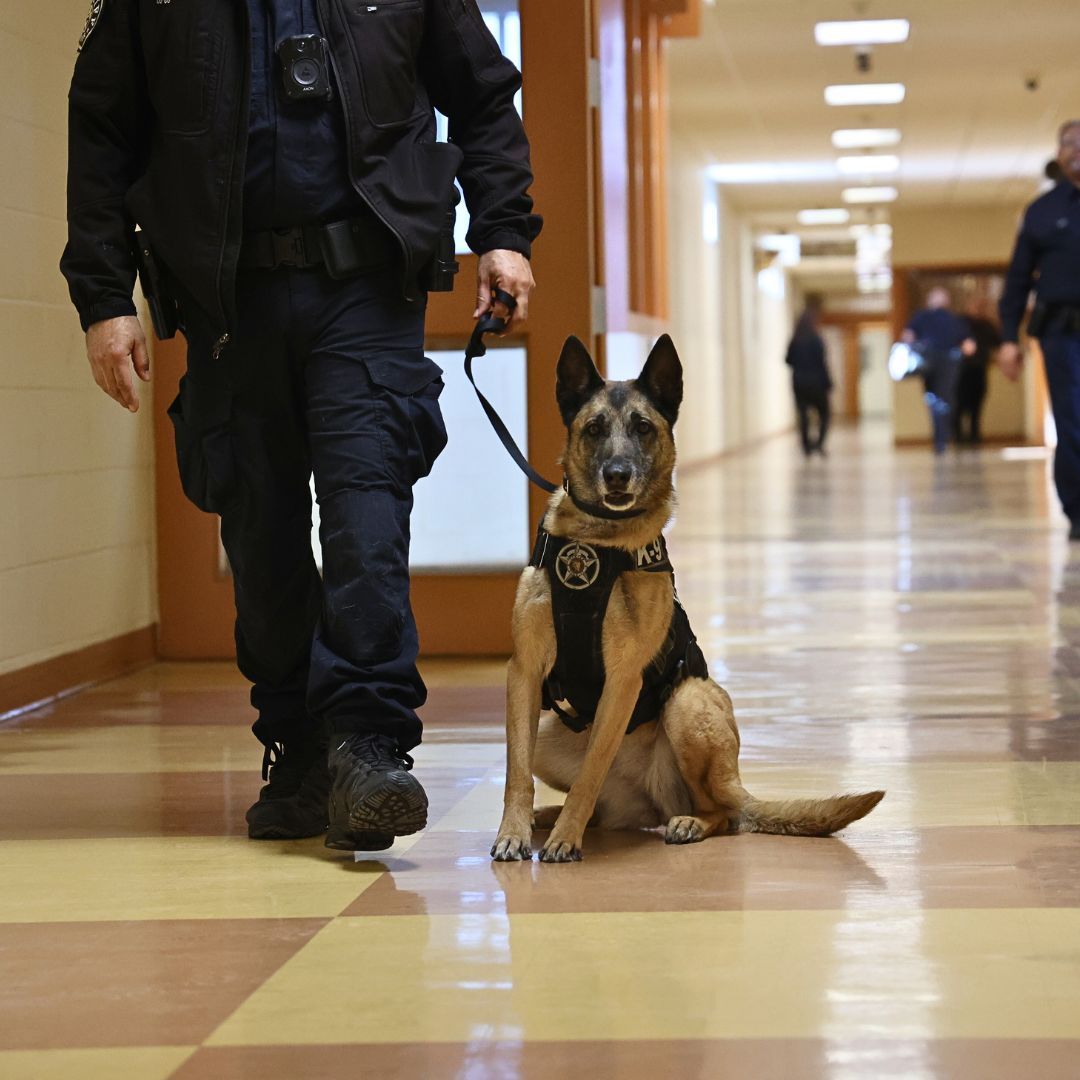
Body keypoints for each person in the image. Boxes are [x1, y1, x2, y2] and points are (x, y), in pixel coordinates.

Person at [61, 1, 541, 850]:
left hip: (364, 287)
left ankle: (368, 743)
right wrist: (104, 297)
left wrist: (503, 231)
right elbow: (101, 130)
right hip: (226, 299)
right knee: (261, 530)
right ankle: (300, 744)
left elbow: (482, 94)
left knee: (366, 515)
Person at [1000, 120, 1080, 539]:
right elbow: (1017, 279)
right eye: (1067, 143)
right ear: (1058, 154)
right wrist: (1008, 338)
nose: (1075, 149)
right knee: (1072, 421)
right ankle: (1078, 511)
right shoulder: (1042, 211)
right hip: (1063, 334)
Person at [902, 287, 976, 454]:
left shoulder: (940, 319)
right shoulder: (947, 319)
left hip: (937, 364)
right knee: (942, 400)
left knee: (937, 400)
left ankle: (941, 437)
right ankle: (942, 437)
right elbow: (969, 346)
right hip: (942, 364)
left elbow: (907, 337)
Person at [785, 306, 832, 457]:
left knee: (803, 415)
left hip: (799, 383)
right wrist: (828, 382)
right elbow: (822, 362)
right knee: (824, 413)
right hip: (817, 383)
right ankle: (819, 443)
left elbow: (787, 360)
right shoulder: (816, 339)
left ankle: (806, 446)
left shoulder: (795, 340)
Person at [954, 299, 1002, 445]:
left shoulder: (986, 326)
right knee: (960, 404)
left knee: (977, 404)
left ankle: (975, 435)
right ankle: (959, 437)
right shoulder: (960, 325)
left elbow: (997, 341)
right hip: (961, 370)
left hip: (979, 369)